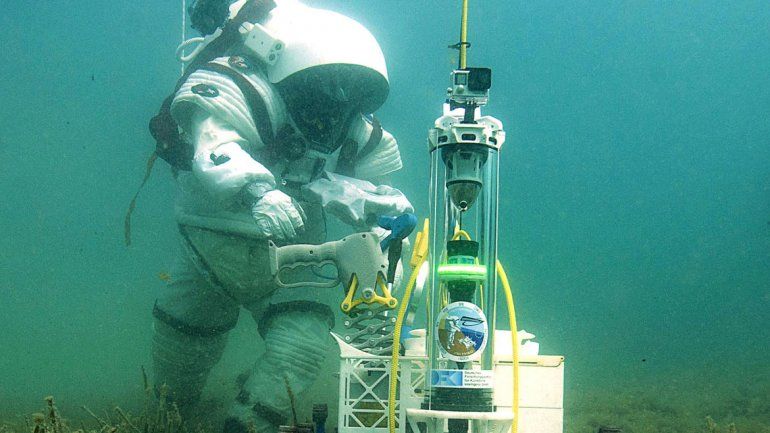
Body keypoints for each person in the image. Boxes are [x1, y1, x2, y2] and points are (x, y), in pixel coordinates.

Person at [149, 1, 413, 432]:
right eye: (329, 84)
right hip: (211, 242)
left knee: (302, 347)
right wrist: (256, 189)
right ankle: (166, 417)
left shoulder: (352, 131)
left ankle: (244, 424)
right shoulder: (240, 90)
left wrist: (386, 231)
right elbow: (213, 145)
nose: (335, 102)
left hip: (290, 256)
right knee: (183, 350)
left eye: (347, 90)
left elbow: (358, 187)